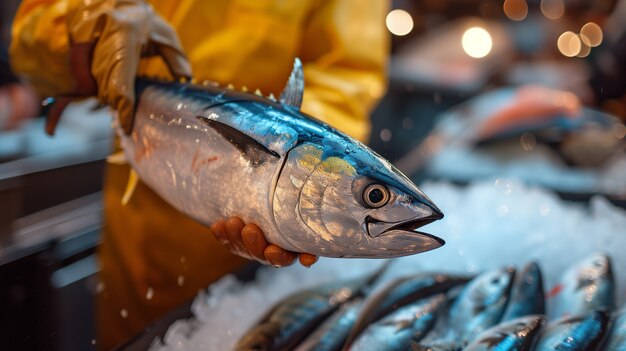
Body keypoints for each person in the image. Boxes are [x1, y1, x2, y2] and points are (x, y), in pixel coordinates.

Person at [10, 0, 388, 348]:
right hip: (131, 236)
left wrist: (292, 183)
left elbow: (345, 78)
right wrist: (85, 28)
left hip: (239, 267)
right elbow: (30, 38)